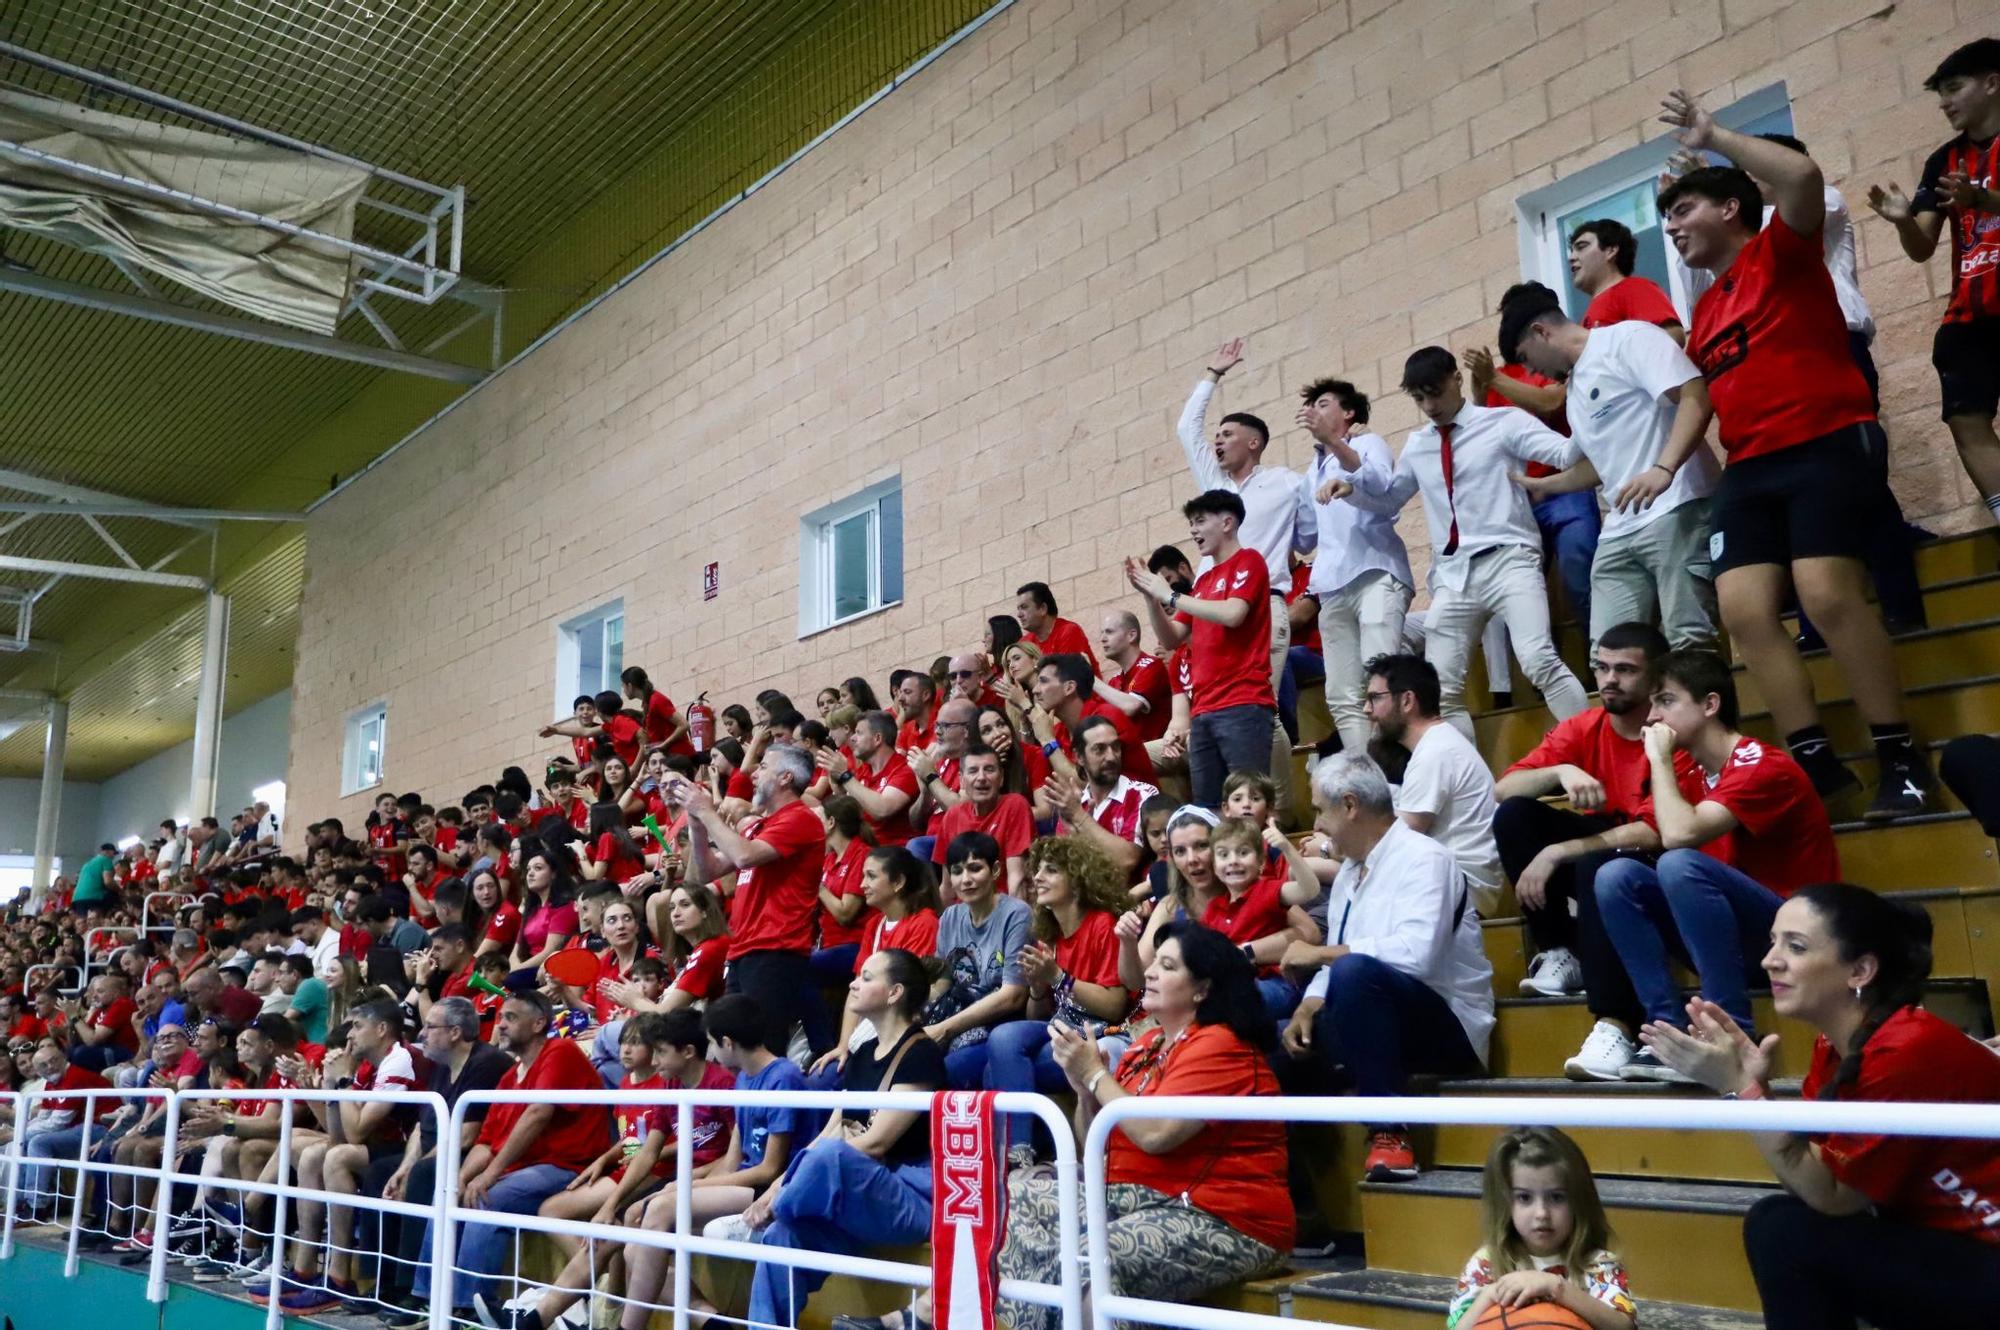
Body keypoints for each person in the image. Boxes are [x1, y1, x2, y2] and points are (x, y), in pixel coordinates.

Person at [1652, 87, 1934, 819]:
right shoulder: (1708, 307)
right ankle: (1814, 765)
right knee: (1742, 613)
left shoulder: (1784, 247)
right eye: (1668, 215)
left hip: (1826, 440)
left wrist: (1713, 135)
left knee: (1826, 593)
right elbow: (1708, 391)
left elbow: (1803, 181)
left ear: (1732, 209)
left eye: (1684, 211)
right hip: (1752, 465)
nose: (1672, 227)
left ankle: (1901, 758)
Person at [1641, 883, 2000, 1329]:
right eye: (1773, 942)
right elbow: (1813, 1173)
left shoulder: (1906, 1051)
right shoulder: (1837, 1045)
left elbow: (1831, 1198)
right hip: (1956, 1246)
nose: (1770, 959)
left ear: (1860, 970)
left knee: (1783, 1233)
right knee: (1780, 1221)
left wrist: (1740, 1090)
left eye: (1795, 946)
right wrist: (1756, 1090)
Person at [996, 922, 1292, 1330]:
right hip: (1142, 1197)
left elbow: (1153, 1135)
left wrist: (1097, 1075)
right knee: (1011, 1199)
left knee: (1091, 1254)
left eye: (1167, 966)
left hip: (1224, 1217)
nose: (1149, 972)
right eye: (1153, 962)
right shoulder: (1146, 1045)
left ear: (1202, 989)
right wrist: (1084, 1091)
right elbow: (1095, 1148)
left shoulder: (1223, 1046)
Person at [1594, 649, 1838, 1083]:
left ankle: (1729, 1034)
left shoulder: (1762, 765)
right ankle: (1664, 1036)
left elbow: (1679, 836)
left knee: (1680, 865)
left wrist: (1660, 761)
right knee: (1616, 876)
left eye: (1666, 701)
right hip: (1740, 940)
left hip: (1801, 940)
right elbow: (1652, 830)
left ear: (1710, 705)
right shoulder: (1692, 769)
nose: (1651, 718)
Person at [1326, 346, 1589, 736]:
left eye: (1435, 392)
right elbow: (1390, 500)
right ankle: (1468, 787)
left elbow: (1566, 452)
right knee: (1440, 694)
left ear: (1457, 379)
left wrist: (1590, 402)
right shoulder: (1419, 443)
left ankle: (1594, 749)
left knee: (1538, 660)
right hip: (1453, 574)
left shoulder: (1502, 422)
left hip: (1509, 559)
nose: (1429, 405)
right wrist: (1352, 489)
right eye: (1418, 398)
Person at [1281, 753, 1494, 1181]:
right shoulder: (1347, 874)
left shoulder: (1425, 858)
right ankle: (1298, 1192)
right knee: (1272, 1040)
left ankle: (1391, 1132)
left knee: (1354, 973)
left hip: (1448, 1026)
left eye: (1321, 810)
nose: (1317, 825)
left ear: (1350, 805)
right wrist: (1308, 1007)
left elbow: (1415, 955)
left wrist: (1321, 955)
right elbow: (1342, 958)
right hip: (1375, 1016)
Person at [1501, 291, 1720, 652]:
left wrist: (1664, 468)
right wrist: (1543, 485)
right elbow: (1598, 467)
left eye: (1525, 358)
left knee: (1689, 641)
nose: (1529, 372)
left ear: (1542, 332)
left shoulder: (1627, 339)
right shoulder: (1575, 392)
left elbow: (1695, 394)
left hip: (1677, 507)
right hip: (1620, 529)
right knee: (1609, 655)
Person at [743, 949, 944, 1329]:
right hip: (854, 1201)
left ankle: (774, 1209)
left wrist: (780, 1194)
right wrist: (776, 1184)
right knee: (782, 1238)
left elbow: (875, 1144)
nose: (854, 982)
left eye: (868, 977)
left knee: (830, 1157)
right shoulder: (863, 1051)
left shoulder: (922, 1054)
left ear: (894, 992)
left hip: (907, 1200)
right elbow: (831, 1129)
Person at [1493, 623, 1670, 1002]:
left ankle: (1615, 1011)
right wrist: (1561, 771)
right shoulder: (1585, 726)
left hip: (1658, 862)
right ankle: (1560, 950)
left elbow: (1656, 832)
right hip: (1603, 846)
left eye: (1625, 670)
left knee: (1596, 862)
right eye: (1603, 668)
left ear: (1657, 676)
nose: (1609, 680)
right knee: (1514, 815)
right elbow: (1503, 789)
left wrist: (1557, 851)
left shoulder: (1671, 732)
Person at [407, 992, 609, 1321]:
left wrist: (488, 1175)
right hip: (524, 1171)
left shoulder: (560, 1051)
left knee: (487, 1198)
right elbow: (486, 1141)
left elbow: (538, 1113)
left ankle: (469, 1310)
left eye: (511, 1018)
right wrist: (459, 1178)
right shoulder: (508, 1077)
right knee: (449, 1192)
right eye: (501, 1017)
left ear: (539, 1023)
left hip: (568, 1168)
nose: (500, 1025)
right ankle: (429, 1301)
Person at [613, 995, 810, 1330]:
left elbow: (769, 1168)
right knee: (636, 1249)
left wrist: (690, 1187)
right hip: (747, 1182)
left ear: (727, 1043)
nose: (712, 1053)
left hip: (777, 1187)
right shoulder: (746, 1078)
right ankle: (709, 1319)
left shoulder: (783, 1077)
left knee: (660, 1209)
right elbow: (734, 1158)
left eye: (711, 1044)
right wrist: (685, 1187)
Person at [1867, 37, 2000, 526]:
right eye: (1939, 92)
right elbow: (1922, 246)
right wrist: (1903, 219)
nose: (1944, 102)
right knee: (1966, 418)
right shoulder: (1943, 161)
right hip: (1970, 314)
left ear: (1992, 83)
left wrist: (1984, 202)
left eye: (1954, 87)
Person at [677, 746, 833, 1056]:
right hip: (744, 950)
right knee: (733, 1053)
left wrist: (708, 811)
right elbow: (706, 872)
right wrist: (696, 821)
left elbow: (744, 856)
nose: (754, 773)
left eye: (762, 766)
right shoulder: (762, 825)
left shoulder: (801, 819)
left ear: (786, 777)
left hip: (775, 951)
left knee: (762, 1050)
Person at [1127, 490, 1278, 807]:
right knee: (1208, 810)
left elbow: (1234, 614)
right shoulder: (1204, 581)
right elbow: (1172, 638)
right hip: (1204, 711)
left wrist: (1169, 595)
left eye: (1200, 521)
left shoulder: (1249, 561)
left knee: (1248, 806)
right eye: (1191, 523)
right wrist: (1151, 598)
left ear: (1227, 522)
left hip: (1243, 702)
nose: (1193, 530)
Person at [369, 997, 515, 1323]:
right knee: (383, 1171)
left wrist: (415, 1171)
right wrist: (404, 1167)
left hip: (477, 1152)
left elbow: (469, 1133)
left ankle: (418, 1292)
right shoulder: (440, 1067)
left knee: (425, 1175)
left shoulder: (487, 1063)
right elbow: (425, 1126)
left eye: (430, 1027)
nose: (422, 1033)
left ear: (455, 1032)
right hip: (447, 1149)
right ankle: (386, 1283)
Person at [984, 836, 1132, 1155]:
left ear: (1077, 881)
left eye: (1050, 870)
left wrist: (1059, 977)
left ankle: (1020, 1152)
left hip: (1098, 1034)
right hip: (1060, 1029)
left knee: (995, 1068)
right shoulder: (1049, 933)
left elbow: (1114, 1006)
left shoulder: (1102, 925)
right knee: (1004, 1038)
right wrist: (1038, 987)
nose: (1037, 878)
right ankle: (1020, 1150)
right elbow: (1039, 1015)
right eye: (1037, 871)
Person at [1298, 376, 1414, 754]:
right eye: (1312, 404)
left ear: (1348, 412)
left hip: (1375, 571)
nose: (1314, 409)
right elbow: (1305, 537)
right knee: (1341, 693)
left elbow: (1382, 483)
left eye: (1324, 403)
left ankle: (1401, 767)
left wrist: (1334, 443)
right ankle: (1371, 776)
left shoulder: (1367, 442)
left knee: (1379, 674)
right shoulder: (1311, 471)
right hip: (1331, 585)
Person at [1448, 1127, 1637, 1330]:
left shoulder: (1598, 1264)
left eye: (1557, 1197)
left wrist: (1556, 1287)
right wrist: (1491, 1294)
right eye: (1524, 1198)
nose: (1542, 1213)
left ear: (1578, 1201)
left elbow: (1625, 1327)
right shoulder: (1485, 1263)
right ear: (1506, 1203)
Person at [1365, 654, 1501, 909]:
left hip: (1460, 892)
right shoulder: (1436, 744)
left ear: (1407, 700)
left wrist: (1331, 847)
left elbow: (1399, 839)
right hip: (1447, 883)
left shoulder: (1435, 751)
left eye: (1375, 698)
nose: (1367, 709)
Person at [923, 831, 1033, 1087]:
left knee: (944, 1071)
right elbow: (943, 980)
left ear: (995, 870)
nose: (966, 880)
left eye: (975, 869)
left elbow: (1013, 996)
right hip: (955, 1017)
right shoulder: (950, 916)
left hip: (998, 1024)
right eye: (957, 871)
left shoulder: (1017, 914)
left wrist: (945, 1029)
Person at [929, 743, 1033, 894]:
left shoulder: (1015, 805)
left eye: (989, 770)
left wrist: (1014, 917)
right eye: (973, 771)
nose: (982, 777)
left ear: (1001, 777)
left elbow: (1017, 878)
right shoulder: (953, 816)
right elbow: (947, 887)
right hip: (965, 911)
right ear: (962, 780)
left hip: (1003, 907)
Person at [817, 711, 919, 848]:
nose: (852, 738)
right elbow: (848, 815)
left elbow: (882, 810)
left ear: (877, 738)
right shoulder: (863, 771)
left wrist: (845, 776)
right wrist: (838, 786)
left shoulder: (904, 770)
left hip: (894, 853)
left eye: (859, 733)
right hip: (865, 850)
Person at [1015, 580, 1100, 673]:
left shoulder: (1069, 631)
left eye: (1024, 607)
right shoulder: (1025, 642)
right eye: (1018, 609)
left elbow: (1066, 678)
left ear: (1043, 609)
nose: (1019, 614)